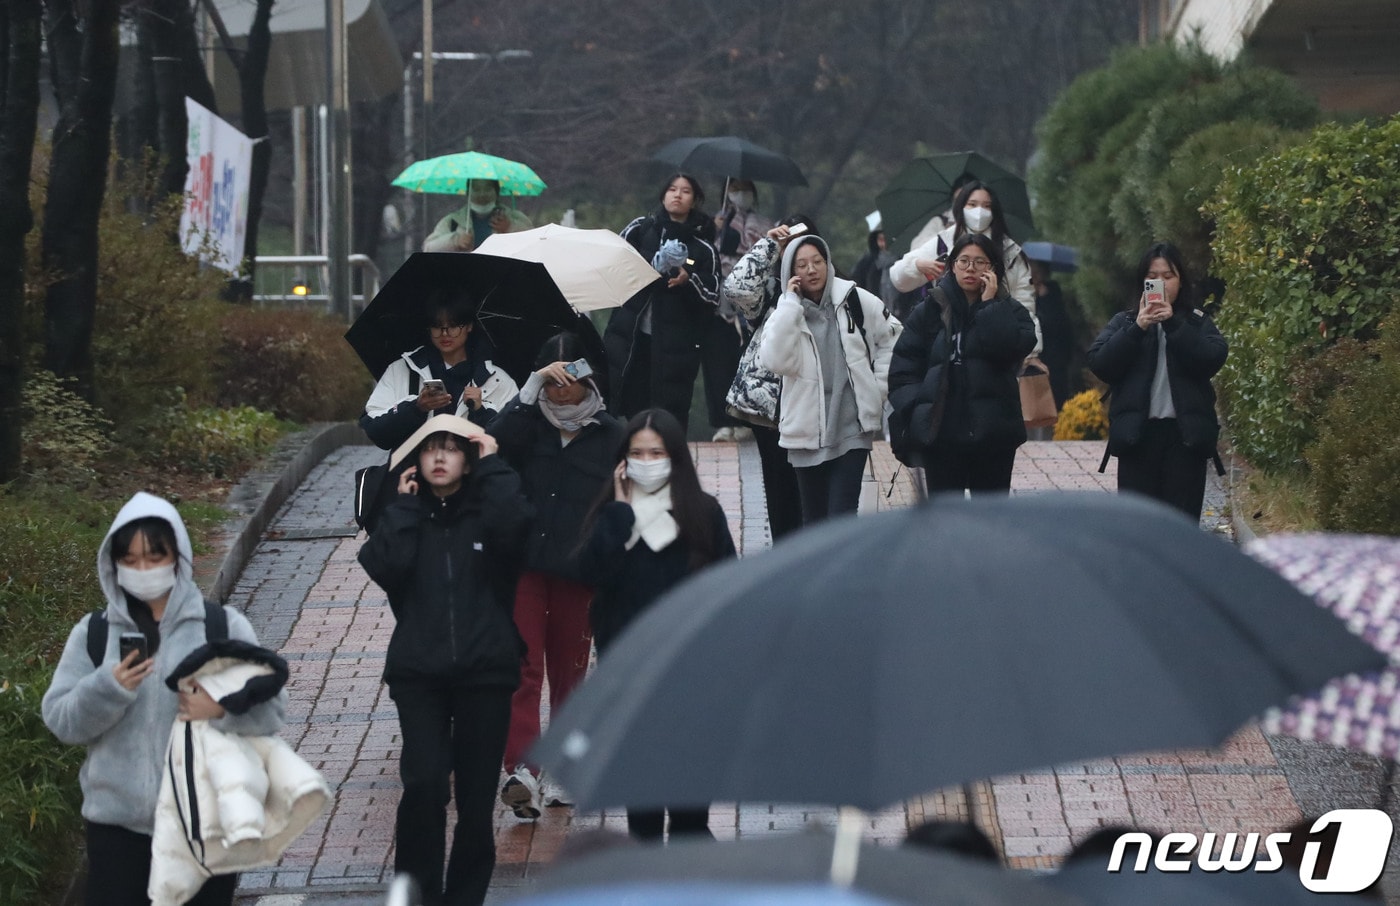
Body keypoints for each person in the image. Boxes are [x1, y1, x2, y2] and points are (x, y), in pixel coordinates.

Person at [42, 492, 287, 906]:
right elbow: (62, 720)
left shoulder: (222, 628)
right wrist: (109, 687)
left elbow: (272, 713)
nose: (143, 570)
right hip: (116, 833)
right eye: (131, 560)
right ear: (114, 564)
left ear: (178, 558)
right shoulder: (94, 633)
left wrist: (220, 707)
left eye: (154, 557)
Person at [358, 414, 532, 906]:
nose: (439, 457)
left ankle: (465, 897)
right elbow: (387, 567)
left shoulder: (489, 513)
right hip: (419, 674)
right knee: (425, 784)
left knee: (476, 803)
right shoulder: (404, 513)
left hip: (487, 671)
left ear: (468, 460)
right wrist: (406, 508)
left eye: (451, 449)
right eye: (430, 448)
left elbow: (518, 527)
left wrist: (495, 463)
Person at [578, 408, 736, 839]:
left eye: (657, 452)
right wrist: (620, 516)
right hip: (630, 678)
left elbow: (727, 591)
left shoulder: (703, 514)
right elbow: (588, 573)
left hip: (692, 677)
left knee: (689, 815)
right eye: (637, 453)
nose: (647, 462)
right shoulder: (611, 514)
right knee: (643, 814)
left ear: (675, 458)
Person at [487, 333, 625, 819]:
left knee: (570, 672)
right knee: (523, 665)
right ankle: (521, 770)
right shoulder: (526, 425)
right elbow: (496, 450)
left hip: (580, 571)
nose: (563, 385)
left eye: (573, 374)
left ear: (591, 376)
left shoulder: (612, 433)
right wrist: (528, 391)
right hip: (525, 565)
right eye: (554, 374)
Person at [758, 234, 901, 524]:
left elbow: (894, 337)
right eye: (801, 265)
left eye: (817, 261)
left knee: (842, 516)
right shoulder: (785, 312)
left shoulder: (854, 299)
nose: (811, 269)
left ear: (828, 263)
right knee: (814, 520)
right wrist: (789, 304)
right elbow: (773, 361)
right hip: (804, 432)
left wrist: (878, 388)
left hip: (851, 428)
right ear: (790, 272)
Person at [887, 234, 1038, 495]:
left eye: (980, 262)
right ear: (952, 265)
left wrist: (989, 305)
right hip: (942, 436)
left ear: (993, 269)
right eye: (963, 261)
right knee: (944, 521)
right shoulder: (930, 310)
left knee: (990, 519)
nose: (970, 268)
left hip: (994, 435)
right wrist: (918, 410)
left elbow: (1011, 350)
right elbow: (903, 371)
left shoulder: (1010, 311)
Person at [1087, 242, 1228, 520]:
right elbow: (1100, 363)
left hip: (1185, 439)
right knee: (1139, 528)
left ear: (1181, 281)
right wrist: (1138, 328)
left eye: (1168, 276)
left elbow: (1211, 358)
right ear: (1142, 281)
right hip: (1137, 438)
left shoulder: (1197, 322)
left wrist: (1174, 324)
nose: (1160, 283)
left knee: (1181, 526)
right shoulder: (1125, 322)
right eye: (1152, 276)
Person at [720, 215, 815, 541]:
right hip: (769, 408)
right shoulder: (770, 287)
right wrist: (768, 246)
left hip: (816, 406)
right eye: (786, 240)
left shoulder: (836, 288)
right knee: (778, 488)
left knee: (813, 489)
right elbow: (735, 288)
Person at [604, 173, 720, 429]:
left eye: (685, 191)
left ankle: (669, 466)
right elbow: (614, 264)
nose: (677, 195)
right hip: (632, 339)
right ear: (663, 195)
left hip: (676, 346)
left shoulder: (703, 247)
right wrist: (651, 267)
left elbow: (714, 293)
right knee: (629, 408)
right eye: (672, 189)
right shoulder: (640, 229)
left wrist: (688, 280)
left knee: (669, 417)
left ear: (695, 200)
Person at [888, 180, 1042, 354]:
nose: (979, 211)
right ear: (960, 207)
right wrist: (916, 265)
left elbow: (1025, 303)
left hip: (996, 343)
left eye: (986, 206)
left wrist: (1032, 354)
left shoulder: (1011, 251)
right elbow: (898, 278)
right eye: (972, 204)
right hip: (947, 342)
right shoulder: (943, 242)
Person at [360, 289, 520, 450]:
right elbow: (375, 430)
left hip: (474, 473)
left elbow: (512, 440)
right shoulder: (401, 370)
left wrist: (481, 411)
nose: (445, 334)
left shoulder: (497, 380)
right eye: (437, 326)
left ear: (469, 326)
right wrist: (416, 408)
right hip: (413, 472)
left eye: (453, 325)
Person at [708, 178, 772, 442]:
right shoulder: (714, 222)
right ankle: (722, 421)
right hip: (718, 300)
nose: (740, 195)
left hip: (751, 299)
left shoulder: (765, 223)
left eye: (745, 190)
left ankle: (746, 417)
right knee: (717, 364)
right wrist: (715, 230)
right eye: (734, 190)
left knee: (746, 361)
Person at [422, 179, 533, 253]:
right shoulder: (453, 221)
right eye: (476, 189)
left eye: (487, 188)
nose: (482, 194)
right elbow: (428, 248)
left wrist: (510, 228)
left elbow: (534, 244)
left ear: (497, 191)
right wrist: (455, 241)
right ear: (468, 193)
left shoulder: (514, 217)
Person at [1029, 260, 1076, 410]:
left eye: (1036, 274)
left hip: (1054, 362)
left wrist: (1044, 298)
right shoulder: (1025, 297)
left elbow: (1055, 325)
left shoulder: (1053, 295)